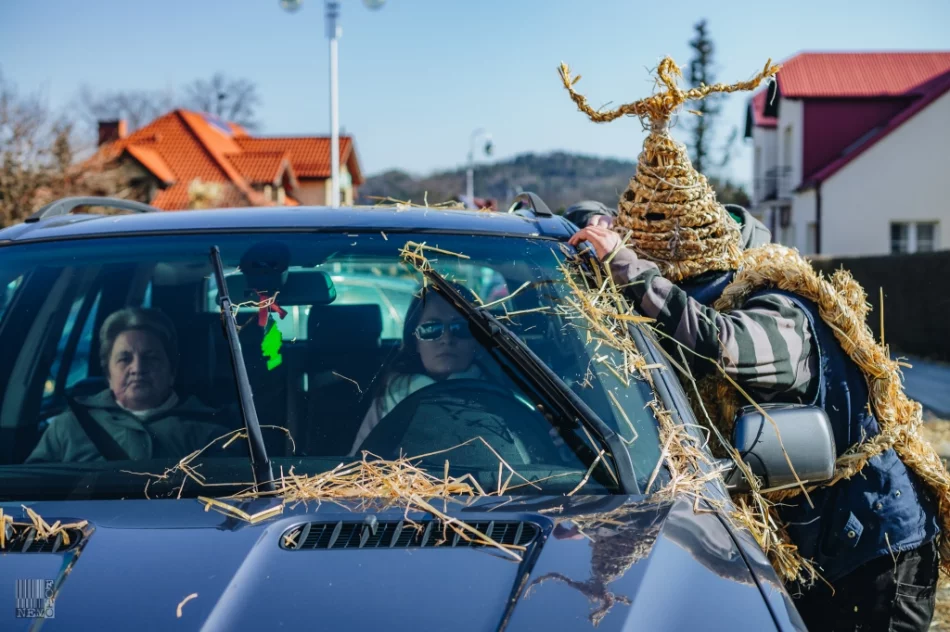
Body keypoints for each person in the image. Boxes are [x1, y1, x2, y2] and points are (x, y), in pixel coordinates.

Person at [559, 53, 945, 631]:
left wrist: (636, 274)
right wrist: (586, 228)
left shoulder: (777, 308)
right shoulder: (725, 285)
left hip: (873, 548)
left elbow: (722, 344)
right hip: (814, 546)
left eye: (685, 289)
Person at [28, 307, 230, 463]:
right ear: (108, 373)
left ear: (172, 370)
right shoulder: (68, 427)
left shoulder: (211, 433)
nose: (137, 368)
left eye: (150, 358)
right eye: (124, 359)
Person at [349, 287, 481, 455]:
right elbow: (357, 463)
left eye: (460, 328)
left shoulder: (502, 396)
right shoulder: (391, 394)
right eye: (431, 329)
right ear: (415, 341)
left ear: (477, 340)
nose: (447, 339)